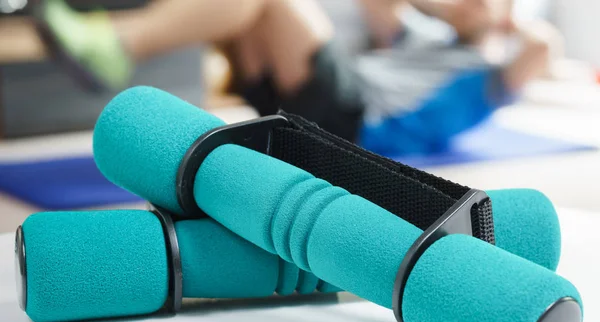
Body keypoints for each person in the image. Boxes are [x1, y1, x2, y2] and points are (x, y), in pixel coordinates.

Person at [0, 0, 559, 156]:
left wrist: (499, 19)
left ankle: (116, 45)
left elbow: (544, 46)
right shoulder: (428, 39)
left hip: (353, 125)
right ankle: (113, 40)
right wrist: (451, 10)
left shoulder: (487, 78)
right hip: (311, 102)